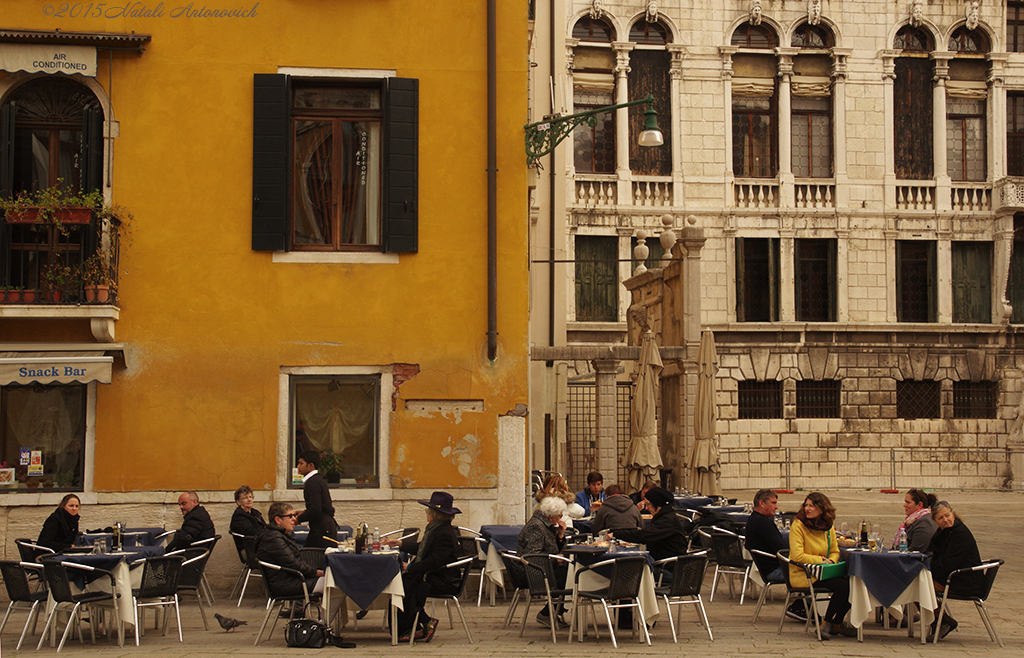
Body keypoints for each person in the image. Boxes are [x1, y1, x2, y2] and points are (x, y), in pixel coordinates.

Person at [384, 491, 463, 643]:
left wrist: (412, 568)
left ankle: (414, 627)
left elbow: (435, 561)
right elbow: (423, 549)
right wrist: (400, 544)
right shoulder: (436, 528)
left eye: (428, 510)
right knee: (402, 582)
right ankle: (423, 623)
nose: (426, 512)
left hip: (444, 580)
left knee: (405, 585)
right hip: (434, 575)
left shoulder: (444, 533)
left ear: (434, 514)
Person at [789, 491, 854, 638]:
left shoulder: (827, 526)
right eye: (806, 505)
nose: (808, 509)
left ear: (822, 508)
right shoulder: (798, 525)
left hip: (825, 571)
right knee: (843, 586)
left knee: (855, 583)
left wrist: (831, 561)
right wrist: (820, 560)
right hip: (804, 574)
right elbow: (798, 555)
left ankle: (836, 622)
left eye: (812, 505)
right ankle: (827, 623)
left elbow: (835, 551)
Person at [744, 488, 807, 621]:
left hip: (766, 567)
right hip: (774, 570)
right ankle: (802, 607)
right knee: (812, 574)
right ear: (762, 503)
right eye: (773, 503)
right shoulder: (763, 523)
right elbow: (780, 548)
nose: (776, 507)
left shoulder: (753, 520)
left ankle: (803, 606)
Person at [928, 500, 984, 640]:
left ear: (953, 514)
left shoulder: (959, 533)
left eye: (947, 515)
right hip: (953, 575)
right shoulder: (944, 532)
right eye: (940, 518)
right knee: (916, 581)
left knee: (918, 585)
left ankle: (941, 620)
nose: (945, 520)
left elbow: (947, 564)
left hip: (966, 580)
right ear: (935, 521)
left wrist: (927, 570)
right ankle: (940, 619)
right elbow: (933, 554)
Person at [517, 495, 569, 628]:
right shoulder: (537, 526)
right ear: (551, 516)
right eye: (559, 515)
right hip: (531, 571)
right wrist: (554, 557)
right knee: (567, 575)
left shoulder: (546, 524)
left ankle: (554, 610)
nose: (561, 518)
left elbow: (553, 547)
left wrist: (560, 536)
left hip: (545, 567)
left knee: (568, 572)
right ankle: (547, 613)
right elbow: (533, 554)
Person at [255, 502, 324, 598]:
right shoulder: (273, 538)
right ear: (278, 520)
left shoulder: (279, 535)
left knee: (333, 582)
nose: (294, 519)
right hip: (284, 584)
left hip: (292, 579)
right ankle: (330, 613)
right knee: (334, 585)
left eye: (294, 515)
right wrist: (316, 572)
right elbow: (292, 563)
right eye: (290, 516)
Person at [607, 486, 688, 561]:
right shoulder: (664, 516)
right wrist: (615, 531)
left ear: (658, 504)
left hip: (666, 566)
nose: (646, 508)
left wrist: (616, 534)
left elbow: (643, 535)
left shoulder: (667, 521)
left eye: (648, 504)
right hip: (662, 561)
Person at [295, 450, 339, 549]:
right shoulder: (316, 480)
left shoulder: (313, 483)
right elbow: (319, 506)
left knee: (311, 556)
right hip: (323, 526)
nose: (298, 466)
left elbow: (316, 509)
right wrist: (305, 512)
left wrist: (299, 519)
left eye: (301, 463)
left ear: (311, 465)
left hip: (322, 529)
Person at [891, 488, 938, 552]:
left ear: (919, 505)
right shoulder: (913, 520)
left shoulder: (925, 523)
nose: (904, 505)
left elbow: (917, 550)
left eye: (908, 502)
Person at [230, 485, 266, 553]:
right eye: (245, 498)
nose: (249, 499)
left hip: (261, 542)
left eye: (250, 497)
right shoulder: (239, 516)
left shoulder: (255, 513)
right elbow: (252, 532)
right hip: (251, 547)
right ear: (238, 502)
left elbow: (264, 527)